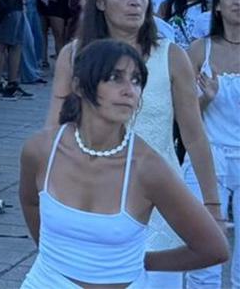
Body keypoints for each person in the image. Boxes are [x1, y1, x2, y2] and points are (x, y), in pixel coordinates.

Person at [46, 0, 224, 287]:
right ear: (100, 1)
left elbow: (194, 135)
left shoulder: (170, 56)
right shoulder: (75, 56)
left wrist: (211, 203)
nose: (136, 1)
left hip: (158, 202)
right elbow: (54, 133)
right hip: (92, 198)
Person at [20, 38, 228, 287]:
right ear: (78, 85)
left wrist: (142, 262)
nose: (129, 90)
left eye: (137, 80)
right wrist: (57, 256)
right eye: (114, 77)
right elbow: (31, 203)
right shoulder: (41, 150)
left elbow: (213, 248)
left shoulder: (147, 167)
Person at [184, 0, 240, 288]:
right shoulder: (199, 49)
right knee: (204, 248)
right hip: (208, 155)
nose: (239, 2)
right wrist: (206, 98)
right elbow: (184, 114)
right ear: (217, 6)